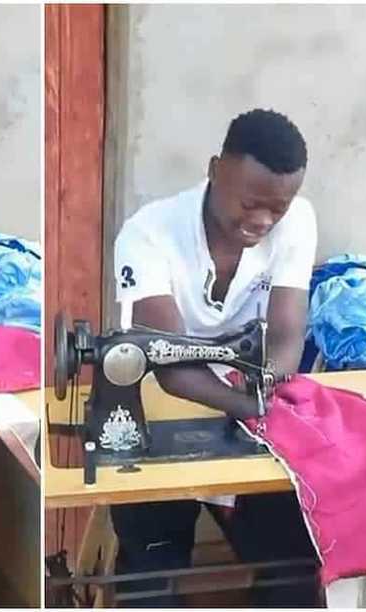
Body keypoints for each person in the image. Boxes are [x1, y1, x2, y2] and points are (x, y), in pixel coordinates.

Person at [110, 108, 320, 607]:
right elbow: (170, 364)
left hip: (246, 408)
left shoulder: (297, 221)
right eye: (250, 203)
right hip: (161, 410)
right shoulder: (149, 233)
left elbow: (288, 337)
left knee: (293, 570)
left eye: (277, 209)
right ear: (214, 170)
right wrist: (247, 405)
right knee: (151, 578)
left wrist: (266, 383)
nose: (262, 221)